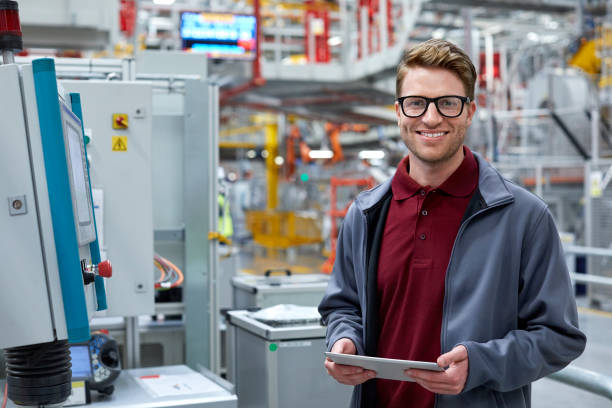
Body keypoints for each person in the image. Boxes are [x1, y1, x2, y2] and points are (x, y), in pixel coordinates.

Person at [318, 38, 586, 408]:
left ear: (470, 111)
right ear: (399, 111)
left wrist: (481, 363)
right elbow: (343, 306)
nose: (431, 118)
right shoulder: (365, 215)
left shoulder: (524, 217)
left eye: (448, 103)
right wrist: (344, 340)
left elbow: (559, 337)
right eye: (416, 103)